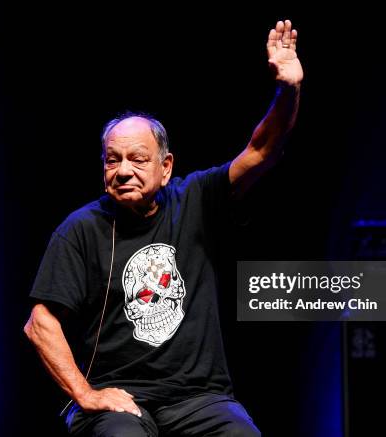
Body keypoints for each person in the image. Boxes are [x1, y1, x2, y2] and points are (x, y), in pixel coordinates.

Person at [24, 19, 303, 436]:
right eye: (112, 160)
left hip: (200, 398)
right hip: (117, 400)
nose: (122, 171)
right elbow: (39, 322)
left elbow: (263, 150)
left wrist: (288, 90)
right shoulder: (80, 229)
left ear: (165, 167)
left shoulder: (196, 200)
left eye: (137, 159)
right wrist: (85, 393)